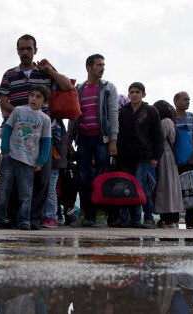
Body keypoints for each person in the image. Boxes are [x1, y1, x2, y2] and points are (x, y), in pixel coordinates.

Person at [0, 34, 73, 230]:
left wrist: (48, 69)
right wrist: (23, 116)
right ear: (17, 51)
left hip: (42, 135)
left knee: (41, 178)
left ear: (35, 51)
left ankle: (34, 219)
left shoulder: (44, 73)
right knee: (13, 180)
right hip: (16, 136)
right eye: (21, 49)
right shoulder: (9, 75)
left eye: (28, 49)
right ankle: (13, 219)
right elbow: (3, 101)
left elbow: (67, 87)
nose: (25, 52)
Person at [67, 54, 118, 228]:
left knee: (101, 177)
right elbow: (73, 115)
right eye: (98, 65)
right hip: (83, 140)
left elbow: (113, 114)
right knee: (84, 178)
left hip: (101, 140)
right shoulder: (79, 89)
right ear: (88, 67)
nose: (102, 67)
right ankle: (85, 215)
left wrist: (113, 140)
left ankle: (100, 214)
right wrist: (69, 140)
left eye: (103, 64)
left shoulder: (108, 88)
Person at [0, 85, 52, 230]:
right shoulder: (18, 111)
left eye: (38, 96)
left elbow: (46, 142)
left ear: (44, 102)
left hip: (28, 162)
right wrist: (5, 149)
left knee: (26, 193)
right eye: (32, 95)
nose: (34, 98)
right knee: (4, 190)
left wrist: (41, 161)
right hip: (11, 157)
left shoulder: (45, 119)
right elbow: (8, 128)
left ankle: (24, 220)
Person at [116, 82, 163, 229]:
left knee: (141, 187)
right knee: (126, 187)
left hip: (143, 156)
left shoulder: (150, 111)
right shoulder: (123, 112)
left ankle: (148, 218)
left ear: (143, 94)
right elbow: (118, 134)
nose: (134, 94)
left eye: (137, 92)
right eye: (131, 92)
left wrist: (156, 156)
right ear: (128, 95)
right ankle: (130, 218)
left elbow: (157, 135)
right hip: (125, 156)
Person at [152, 100, 183, 228]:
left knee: (164, 186)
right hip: (169, 155)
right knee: (170, 186)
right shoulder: (171, 122)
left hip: (163, 155)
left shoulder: (164, 122)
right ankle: (171, 217)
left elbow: (159, 138)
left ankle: (167, 217)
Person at [174, 91, 193, 228]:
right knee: (175, 190)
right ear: (176, 101)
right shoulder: (171, 117)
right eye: (185, 99)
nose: (188, 102)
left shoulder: (192, 116)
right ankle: (173, 220)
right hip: (176, 160)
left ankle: (190, 222)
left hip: (192, 160)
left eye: (189, 100)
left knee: (192, 191)